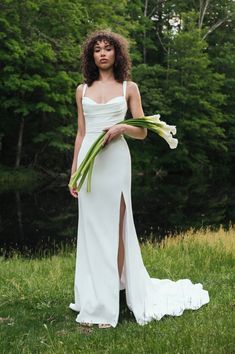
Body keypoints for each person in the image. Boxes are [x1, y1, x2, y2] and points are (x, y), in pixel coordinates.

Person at [68, 30, 209, 329]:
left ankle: (109, 302)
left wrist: (121, 128)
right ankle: (92, 295)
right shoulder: (82, 90)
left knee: (116, 228)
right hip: (89, 164)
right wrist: (73, 173)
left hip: (116, 162)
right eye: (97, 50)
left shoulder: (128, 88)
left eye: (108, 49)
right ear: (91, 56)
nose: (102, 54)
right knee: (92, 231)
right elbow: (81, 133)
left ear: (117, 54)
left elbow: (142, 131)